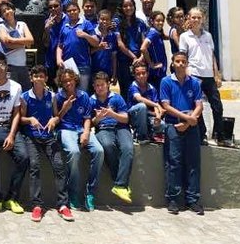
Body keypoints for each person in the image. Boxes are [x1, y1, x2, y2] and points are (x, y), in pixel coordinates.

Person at [19, 65, 72, 222]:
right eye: (36, 76)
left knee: (59, 165)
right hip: (32, 137)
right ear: (31, 79)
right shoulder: (25, 97)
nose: (38, 79)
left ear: (46, 78)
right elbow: (20, 119)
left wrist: (54, 120)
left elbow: (56, 116)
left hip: (49, 136)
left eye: (41, 76)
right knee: (34, 166)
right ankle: (37, 205)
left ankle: (63, 205)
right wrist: (30, 119)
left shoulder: (52, 96)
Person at [0, 57, 29, 215]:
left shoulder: (16, 87)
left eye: (2, 64)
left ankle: (12, 198)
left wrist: (12, 135)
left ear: (7, 66)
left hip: (9, 127)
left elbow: (16, 113)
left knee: (23, 157)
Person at [160, 51, 204, 215]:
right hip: (173, 125)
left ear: (187, 64)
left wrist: (189, 121)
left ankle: (193, 199)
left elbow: (199, 105)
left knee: (193, 163)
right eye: (177, 61)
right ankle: (173, 199)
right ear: (173, 63)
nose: (180, 64)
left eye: (183, 61)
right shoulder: (166, 82)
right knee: (174, 163)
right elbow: (166, 106)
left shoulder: (194, 83)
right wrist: (186, 118)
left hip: (191, 126)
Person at [55, 68, 104, 212]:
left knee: (99, 151)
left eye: (70, 79)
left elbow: (87, 118)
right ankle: (73, 193)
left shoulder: (84, 96)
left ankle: (90, 192)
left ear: (75, 80)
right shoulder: (58, 97)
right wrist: (64, 108)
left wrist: (86, 133)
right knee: (74, 152)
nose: (68, 83)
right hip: (65, 129)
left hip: (81, 129)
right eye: (64, 81)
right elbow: (55, 119)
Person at [179, 7, 226, 147]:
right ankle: (202, 134)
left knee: (217, 105)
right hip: (194, 75)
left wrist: (217, 74)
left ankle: (219, 134)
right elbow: (183, 56)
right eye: (193, 17)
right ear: (189, 18)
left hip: (209, 76)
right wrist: (186, 71)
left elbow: (212, 56)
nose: (196, 20)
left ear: (202, 19)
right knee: (198, 106)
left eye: (199, 17)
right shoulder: (184, 37)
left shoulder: (208, 36)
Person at [90, 71, 133, 204]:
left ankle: (119, 185)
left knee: (128, 149)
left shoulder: (116, 98)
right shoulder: (91, 100)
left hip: (121, 127)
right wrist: (97, 118)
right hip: (103, 129)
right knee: (108, 146)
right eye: (97, 85)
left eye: (102, 85)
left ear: (108, 85)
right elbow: (89, 123)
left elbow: (126, 119)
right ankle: (120, 184)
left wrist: (112, 114)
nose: (100, 88)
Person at [56, 1, 99, 93]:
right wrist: (58, 59)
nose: (72, 12)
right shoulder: (64, 27)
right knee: (64, 93)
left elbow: (96, 43)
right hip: (67, 66)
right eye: (69, 11)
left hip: (82, 66)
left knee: (82, 94)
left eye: (74, 10)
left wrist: (85, 35)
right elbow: (60, 46)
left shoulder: (86, 24)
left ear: (79, 10)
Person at [0, 0, 34, 91]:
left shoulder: (22, 24)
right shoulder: (1, 27)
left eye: (8, 9)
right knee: (13, 94)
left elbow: (31, 40)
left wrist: (13, 40)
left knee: (26, 92)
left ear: (13, 10)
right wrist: (24, 43)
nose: (7, 12)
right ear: (2, 16)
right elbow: (7, 44)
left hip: (23, 66)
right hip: (10, 67)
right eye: (3, 11)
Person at [115, 0, 147, 96]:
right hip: (124, 61)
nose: (128, 8)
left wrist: (141, 57)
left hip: (140, 60)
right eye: (125, 6)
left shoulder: (140, 22)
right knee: (127, 89)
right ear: (121, 8)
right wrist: (134, 57)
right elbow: (120, 44)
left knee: (140, 88)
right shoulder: (116, 22)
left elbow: (144, 42)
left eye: (131, 5)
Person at [127, 62, 164, 144]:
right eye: (138, 74)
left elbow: (156, 106)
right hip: (134, 116)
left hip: (148, 116)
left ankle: (151, 134)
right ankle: (141, 136)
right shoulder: (133, 86)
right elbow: (139, 98)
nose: (141, 76)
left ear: (147, 73)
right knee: (142, 106)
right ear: (134, 75)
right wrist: (156, 105)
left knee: (162, 124)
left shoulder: (152, 88)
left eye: (143, 73)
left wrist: (158, 117)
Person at [90, 9, 118, 89]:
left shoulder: (112, 36)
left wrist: (114, 74)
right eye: (102, 19)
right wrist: (98, 48)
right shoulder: (92, 33)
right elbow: (87, 52)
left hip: (107, 73)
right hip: (93, 72)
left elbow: (114, 57)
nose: (104, 21)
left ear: (110, 21)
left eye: (107, 19)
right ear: (98, 20)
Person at [140, 10, 168, 90]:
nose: (161, 23)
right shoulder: (153, 33)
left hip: (160, 70)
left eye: (162, 21)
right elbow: (143, 48)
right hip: (157, 71)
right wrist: (151, 64)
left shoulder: (157, 33)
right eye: (158, 20)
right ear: (152, 21)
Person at [42, 0, 64, 88]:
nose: (53, 9)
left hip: (64, 60)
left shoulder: (68, 19)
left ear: (61, 6)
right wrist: (47, 29)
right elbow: (46, 43)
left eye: (56, 6)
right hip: (51, 61)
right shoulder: (47, 21)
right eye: (50, 7)